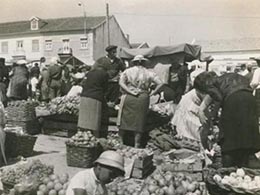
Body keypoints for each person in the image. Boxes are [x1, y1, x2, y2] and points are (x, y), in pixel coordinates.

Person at [197, 72, 260, 168]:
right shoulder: (227, 76)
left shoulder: (211, 84)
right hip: (250, 101)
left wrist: (213, 117)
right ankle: (247, 159)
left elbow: (218, 99)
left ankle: (230, 164)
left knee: (229, 137)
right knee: (247, 133)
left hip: (234, 101)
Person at [117, 55, 163, 148]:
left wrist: (129, 91)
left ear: (135, 62)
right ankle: (137, 144)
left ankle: (121, 142)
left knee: (124, 118)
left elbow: (121, 83)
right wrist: (152, 93)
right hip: (143, 97)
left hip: (129, 96)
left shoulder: (128, 71)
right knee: (139, 120)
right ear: (143, 62)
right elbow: (161, 83)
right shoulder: (149, 73)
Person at [77, 66, 109, 138]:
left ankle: (80, 138)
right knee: (94, 123)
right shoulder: (104, 74)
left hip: (84, 96)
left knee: (83, 122)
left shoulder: (89, 73)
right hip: (96, 97)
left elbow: (83, 83)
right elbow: (105, 87)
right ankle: (94, 138)